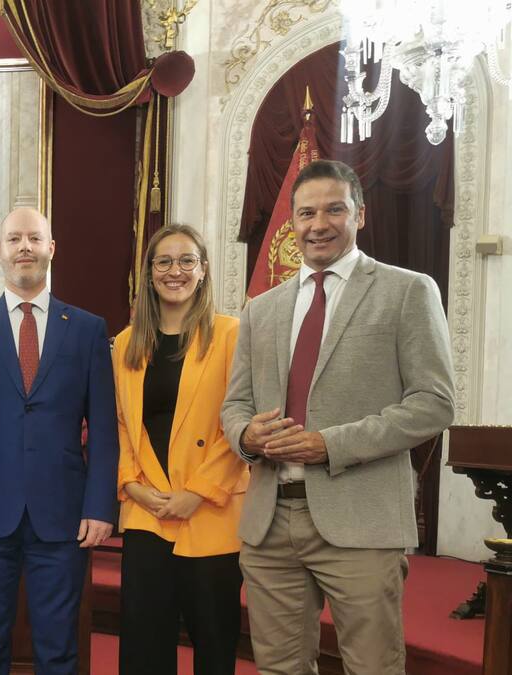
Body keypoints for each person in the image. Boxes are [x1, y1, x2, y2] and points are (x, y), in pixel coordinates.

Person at [221, 159, 455, 674]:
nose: (319, 224)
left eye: (334, 210)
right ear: (292, 222)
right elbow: (235, 405)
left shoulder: (407, 291)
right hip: (269, 521)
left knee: (373, 667)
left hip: (362, 520)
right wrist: (247, 436)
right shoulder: (261, 308)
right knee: (279, 668)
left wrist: (330, 445)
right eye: (306, 213)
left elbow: (434, 403)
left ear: (360, 215)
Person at [0, 207, 117, 675]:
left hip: (63, 515)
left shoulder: (87, 329)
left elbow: (104, 426)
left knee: (58, 648)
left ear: (51, 248)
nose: (25, 246)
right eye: (15, 238)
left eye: (35, 238)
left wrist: (100, 506)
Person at [113, 224, 247, 675]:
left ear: (203, 269)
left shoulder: (231, 335)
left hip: (210, 510)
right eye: (164, 262)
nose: (175, 271)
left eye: (187, 260)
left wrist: (198, 492)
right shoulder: (125, 343)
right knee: (144, 649)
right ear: (149, 273)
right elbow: (122, 424)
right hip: (146, 511)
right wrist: (131, 485)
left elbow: (241, 425)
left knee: (213, 643)